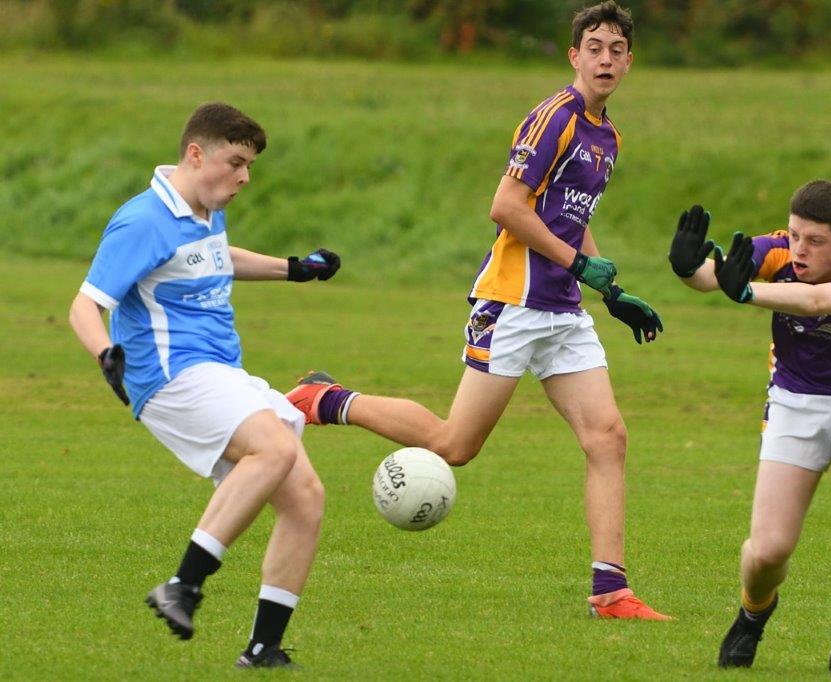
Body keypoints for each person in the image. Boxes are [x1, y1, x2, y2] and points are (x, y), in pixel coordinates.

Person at [287, 1, 669, 620]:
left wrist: (609, 291)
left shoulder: (608, 135)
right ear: (574, 56)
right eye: (593, 47)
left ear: (629, 61)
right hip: (513, 301)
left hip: (563, 311)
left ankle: (611, 591)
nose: (605, 58)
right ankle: (324, 400)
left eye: (616, 49)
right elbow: (507, 206)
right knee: (454, 444)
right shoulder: (555, 120)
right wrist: (578, 266)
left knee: (608, 437)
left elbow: (573, 218)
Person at [68, 102, 341, 669]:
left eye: (249, 166)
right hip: (171, 375)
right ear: (196, 154)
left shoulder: (205, 209)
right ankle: (183, 586)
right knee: (275, 447)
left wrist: (294, 268)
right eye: (235, 162)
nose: (244, 177)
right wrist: (105, 355)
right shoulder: (143, 220)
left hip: (221, 370)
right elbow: (84, 305)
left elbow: (218, 258)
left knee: (306, 497)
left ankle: (263, 647)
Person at [668, 181, 831, 677]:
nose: (799, 249)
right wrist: (687, 268)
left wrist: (747, 291)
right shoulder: (779, 247)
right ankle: (752, 613)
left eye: (815, 241)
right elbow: (718, 276)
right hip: (794, 401)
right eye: (796, 234)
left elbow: (818, 301)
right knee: (768, 551)